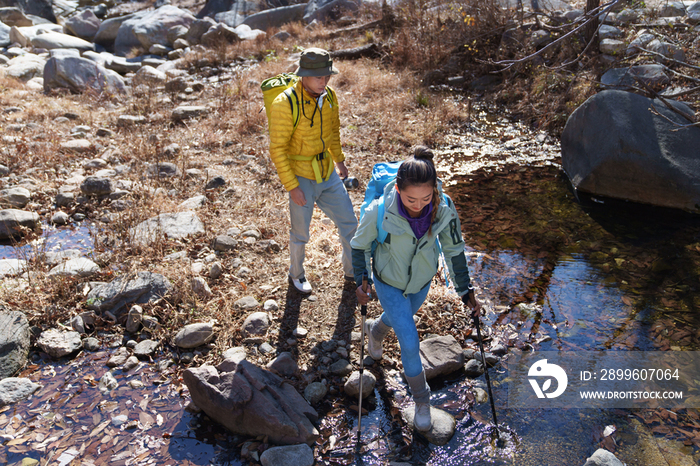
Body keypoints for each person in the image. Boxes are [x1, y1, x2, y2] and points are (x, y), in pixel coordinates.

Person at [350, 146, 482, 432]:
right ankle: (422, 400)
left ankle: (375, 331)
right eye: (411, 199)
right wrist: (361, 280)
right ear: (397, 189)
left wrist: (464, 290)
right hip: (388, 281)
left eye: (426, 197)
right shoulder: (379, 212)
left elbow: (453, 251)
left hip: (421, 282)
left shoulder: (443, 208)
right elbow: (359, 245)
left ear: (434, 189)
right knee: (409, 338)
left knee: (399, 319)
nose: (419, 204)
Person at [268, 48, 357, 293]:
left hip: (326, 172)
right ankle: (296, 275)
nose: (324, 81)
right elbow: (277, 149)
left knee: (349, 223)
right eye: (318, 77)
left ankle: (353, 273)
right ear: (303, 75)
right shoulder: (284, 104)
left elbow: (333, 132)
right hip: (300, 176)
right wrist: (292, 186)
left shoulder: (329, 96)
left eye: (326, 76)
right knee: (300, 233)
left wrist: (339, 161)